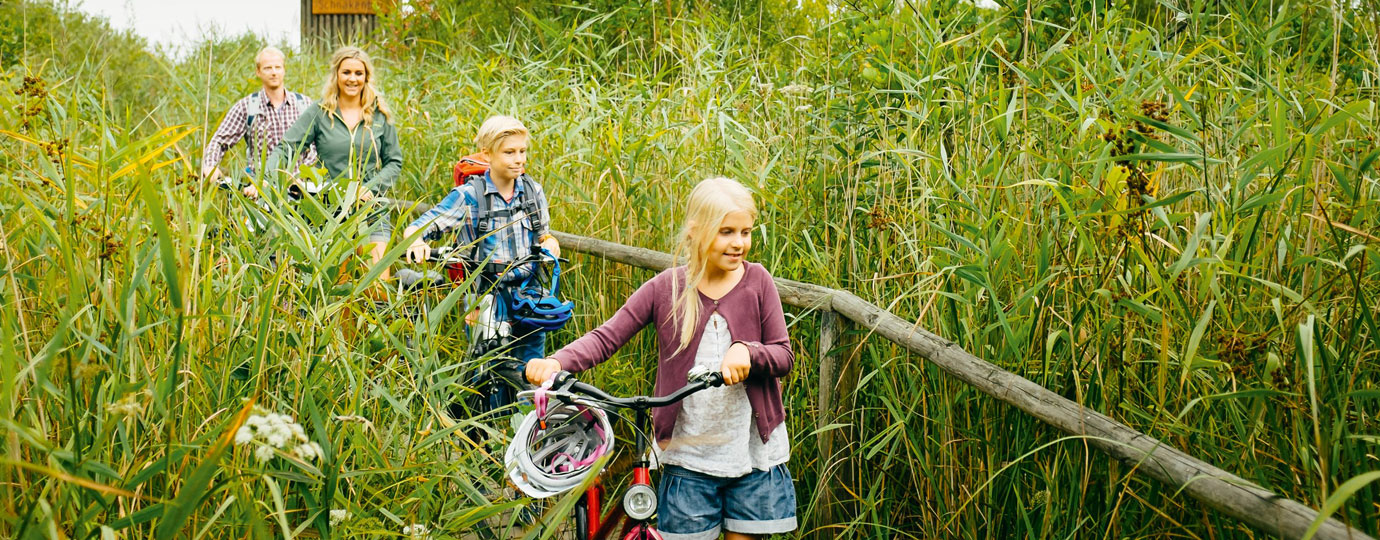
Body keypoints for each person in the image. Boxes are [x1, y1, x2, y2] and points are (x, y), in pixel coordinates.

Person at [525, 177, 798, 540]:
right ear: (697, 232)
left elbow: (783, 354)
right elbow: (608, 336)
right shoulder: (666, 288)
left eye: (745, 232)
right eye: (726, 232)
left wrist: (748, 351)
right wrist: (558, 362)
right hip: (688, 456)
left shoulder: (758, 281)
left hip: (750, 451)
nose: (738, 243)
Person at [404, 115, 560, 368]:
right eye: (509, 152)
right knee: (489, 368)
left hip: (529, 294)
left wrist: (550, 242)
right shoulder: (469, 197)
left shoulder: (533, 191)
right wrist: (416, 242)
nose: (519, 159)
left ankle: (528, 408)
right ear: (487, 155)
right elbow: (419, 227)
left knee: (532, 368)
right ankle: (487, 406)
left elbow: (544, 234)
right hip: (486, 296)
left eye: (522, 151)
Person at [267, 45, 402, 279]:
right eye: (346, 72)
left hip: (373, 210)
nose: (352, 79)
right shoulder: (320, 113)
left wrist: (367, 189)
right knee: (341, 288)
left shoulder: (379, 114)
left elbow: (394, 162)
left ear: (366, 77)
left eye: (358, 73)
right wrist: (271, 176)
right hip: (333, 210)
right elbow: (287, 147)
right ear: (337, 75)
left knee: (378, 286)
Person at [201, 46, 316, 196]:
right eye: (268, 68)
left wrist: (301, 175)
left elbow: (317, 146)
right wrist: (210, 166)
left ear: (284, 70)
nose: (274, 72)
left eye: (277, 67)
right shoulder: (247, 107)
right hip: (260, 192)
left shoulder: (304, 104)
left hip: (300, 190)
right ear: (258, 71)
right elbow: (219, 141)